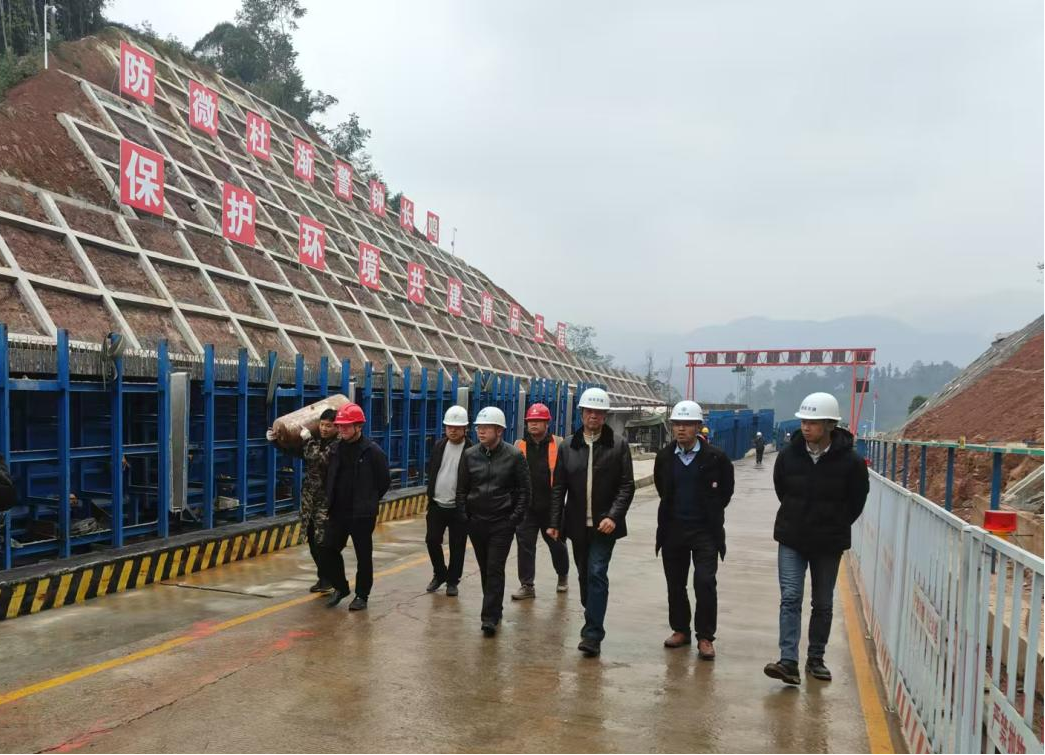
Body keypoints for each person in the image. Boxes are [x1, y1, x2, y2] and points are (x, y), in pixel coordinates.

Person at [764, 392, 869, 685]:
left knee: (822, 603)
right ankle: (788, 661)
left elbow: (857, 500)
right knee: (790, 597)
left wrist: (834, 523)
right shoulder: (788, 456)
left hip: (828, 542)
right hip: (792, 538)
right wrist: (797, 515)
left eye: (812, 422)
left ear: (829, 425)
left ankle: (816, 659)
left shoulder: (851, 462)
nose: (806, 427)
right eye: (804, 422)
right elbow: (782, 489)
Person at [548, 387, 635, 658]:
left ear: (605, 415)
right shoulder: (568, 446)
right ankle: (593, 611)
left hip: (604, 527)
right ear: (582, 413)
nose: (593, 416)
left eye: (598, 412)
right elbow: (558, 487)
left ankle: (592, 635)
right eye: (589, 411)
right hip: (576, 526)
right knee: (584, 575)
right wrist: (554, 522)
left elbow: (627, 486)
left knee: (597, 572)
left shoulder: (618, 445)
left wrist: (613, 516)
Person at [654, 400, 735, 660]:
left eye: (687, 424)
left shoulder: (716, 458)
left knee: (704, 582)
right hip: (673, 529)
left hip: (705, 532)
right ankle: (680, 630)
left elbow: (725, 491)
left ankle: (705, 637)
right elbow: (662, 488)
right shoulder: (665, 457)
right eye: (677, 424)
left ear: (698, 426)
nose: (681, 429)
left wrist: (710, 512)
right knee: (675, 583)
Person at [455, 406, 530, 636]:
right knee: (486, 568)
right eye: (479, 427)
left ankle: (488, 618)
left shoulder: (514, 456)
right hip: (477, 522)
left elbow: (524, 491)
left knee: (495, 568)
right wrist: (465, 516)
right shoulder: (470, 455)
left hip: (501, 523)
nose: (481, 431)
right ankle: (495, 609)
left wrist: (513, 519)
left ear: (499, 430)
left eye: (486, 427)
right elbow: (462, 489)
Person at [321, 402, 391, 611]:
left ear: (358, 426)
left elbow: (384, 481)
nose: (342, 429)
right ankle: (341, 587)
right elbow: (328, 476)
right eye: (340, 426)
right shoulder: (335, 449)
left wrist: (369, 500)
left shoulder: (372, 451)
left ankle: (362, 595)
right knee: (327, 549)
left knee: (363, 555)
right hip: (338, 511)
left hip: (361, 514)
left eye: (346, 426)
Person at [267, 409, 339, 593]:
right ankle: (324, 578)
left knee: (323, 542)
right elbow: (298, 452)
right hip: (310, 500)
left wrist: (307, 439)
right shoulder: (318, 440)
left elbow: (318, 459)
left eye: (328, 426)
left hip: (327, 501)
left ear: (337, 427)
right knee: (312, 539)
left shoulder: (338, 445)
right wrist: (276, 441)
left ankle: (331, 579)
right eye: (322, 424)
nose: (323, 429)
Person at [511, 403, 570, 600]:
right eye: (531, 421)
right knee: (525, 546)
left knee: (557, 545)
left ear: (547, 423)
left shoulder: (559, 444)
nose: (534, 424)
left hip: (551, 507)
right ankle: (527, 585)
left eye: (538, 421)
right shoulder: (519, 445)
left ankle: (562, 575)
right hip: (527, 507)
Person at [425, 405, 473, 597]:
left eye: (457, 427)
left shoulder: (472, 450)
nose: (452, 430)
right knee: (432, 540)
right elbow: (432, 469)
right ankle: (440, 573)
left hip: (459, 508)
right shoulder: (439, 446)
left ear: (465, 428)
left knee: (457, 545)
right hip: (437, 504)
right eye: (449, 426)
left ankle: (453, 581)